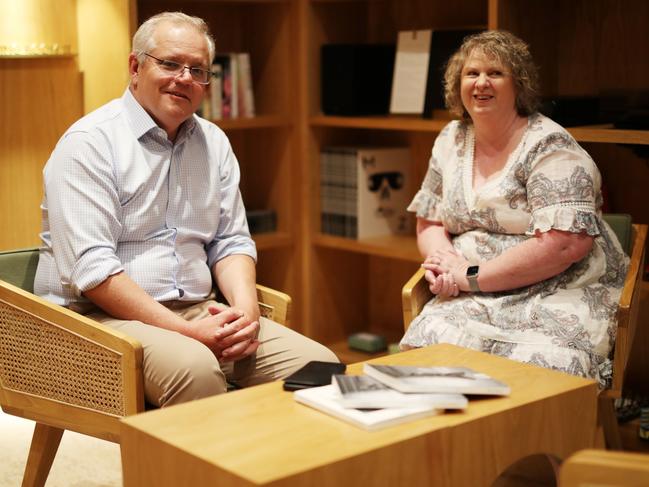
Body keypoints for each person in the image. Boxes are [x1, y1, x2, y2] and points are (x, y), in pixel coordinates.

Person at [34, 11, 338, 407]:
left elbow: (230, 242)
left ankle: (272, 468)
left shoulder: (213, 142)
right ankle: (205, 470)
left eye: (198, 70)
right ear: (135, 66)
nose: (184, 78)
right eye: (170, 63)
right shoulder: (89, 144)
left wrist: (245, 317)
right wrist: (186, 332)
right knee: (195, 370)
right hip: (99, 320)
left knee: (321, 367)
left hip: (198, 309)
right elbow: (93, 271)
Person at [400, 30, 628, 389]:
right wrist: (443, 262)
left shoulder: (550, 145)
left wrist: (469, 274)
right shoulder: (451, 138)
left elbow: (566, 245)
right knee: (426, 353)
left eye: (495, 73)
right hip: (470, 289)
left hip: (557, 287)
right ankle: (458, 443)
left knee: (539, 376)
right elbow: (428, 219)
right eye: (471, 73)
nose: (481, 83)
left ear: (518, 84)